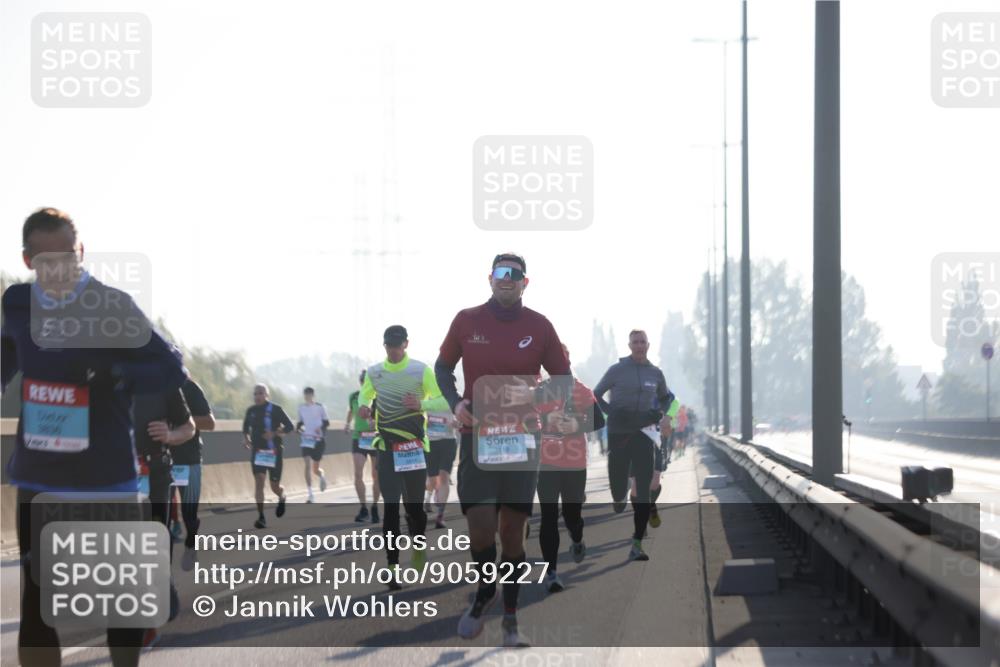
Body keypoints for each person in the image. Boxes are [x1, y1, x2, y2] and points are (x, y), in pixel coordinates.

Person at [2, 208, 187, 665]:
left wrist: (114, 372)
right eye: (47, 263)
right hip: (40, 475)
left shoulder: (111, 305)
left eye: (68, 258)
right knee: (38, 599)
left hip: (105, 476)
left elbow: (170, 368)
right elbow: (6, 354)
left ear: (80, 252)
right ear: (28, 261)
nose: (60, 270)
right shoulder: (18, 304)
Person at [435, 252, 572, 648]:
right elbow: (442, 369)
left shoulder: (540, 326)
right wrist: (456, 404)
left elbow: (563, 382)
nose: (506, 279)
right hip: (477, 437)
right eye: (500, 273)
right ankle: (485, 588)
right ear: (489, 279)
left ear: (525, 282)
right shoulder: (466, 320)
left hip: (522, 439)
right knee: (480, 529)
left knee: (512, 531)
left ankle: (510, 618)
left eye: (515, 274)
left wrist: (535, 392)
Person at [356, 325, 448, 588]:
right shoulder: (375, 373)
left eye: (397, 345)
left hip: (415, 449)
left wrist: (422, 404)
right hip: (386, 449)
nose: (393, 350)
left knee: (415, 511)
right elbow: (365, 398)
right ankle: (393, 567)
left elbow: (443, 401)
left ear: (406, 344)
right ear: (384, 346)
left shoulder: (421, 371)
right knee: (391, 511)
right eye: (389, 346)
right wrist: (364, 408)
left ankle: (418, 548)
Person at [593, 329, 677, 561]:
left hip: (644, 435)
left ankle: (637, 543)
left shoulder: (655, 373)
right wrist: (612, 413)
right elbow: (596, 394)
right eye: (635, 342)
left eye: (642, 342)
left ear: (648, 345)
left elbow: (666, 397)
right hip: (620, 433)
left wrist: (662, 413)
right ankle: (619, 497)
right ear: (629, 345)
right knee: (619, 487)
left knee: (643, 492)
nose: (639, 346)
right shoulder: (617, 370)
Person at [535, 345, 603, 593]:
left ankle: (577, 537)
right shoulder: (540, 391)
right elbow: (526, 421)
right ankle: (551, 572)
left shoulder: (580, 390)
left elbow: (599, 419)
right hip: (546, 463)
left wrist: (575, 424)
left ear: (567, 361)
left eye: (560, 359)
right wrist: (544, 422)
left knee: (572, 515)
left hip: (574, 463)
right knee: (548, 517)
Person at [172, 377, 215, 570]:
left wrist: (181, 420)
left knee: (189, 514)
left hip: (187, 460)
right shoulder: (148, 386)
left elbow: (209, 423)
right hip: (159, 459)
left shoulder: (189, 388)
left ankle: (191, 542)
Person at [243, 384, 294, 529]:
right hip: (258, 452)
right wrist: (246, 439)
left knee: (274, 486)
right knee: (259, 482)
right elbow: (246, 428)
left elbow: (290, 426)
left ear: (267, 395)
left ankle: (282, 496)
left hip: (274, 452)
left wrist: (275, 433)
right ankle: (261, 517)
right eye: (255, 393)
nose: (257, 396)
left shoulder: (275, 409)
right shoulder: (251, 411)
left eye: (260, 393)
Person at [346, 371, 380, 524]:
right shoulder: (353, 396)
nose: (364, 384)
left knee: (376, 475)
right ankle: (363, 508)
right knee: (358, 474)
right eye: (362, 381)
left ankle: (374, 507)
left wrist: (376, 423)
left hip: (375, 438)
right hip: (359, 438)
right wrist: (348, 424)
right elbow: (350, 411)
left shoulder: (379, 397)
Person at [424, 409, 458, 529]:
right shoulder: (425, 395)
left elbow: (460, 418)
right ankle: (428, 497)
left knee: (443, 477)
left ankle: (440, 515)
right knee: (432, 481)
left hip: (448, 442)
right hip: (430, 443)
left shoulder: (450, 394)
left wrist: (457, 423)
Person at [296, 387, 330, 503]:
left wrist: (319, 429)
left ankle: (321, 476)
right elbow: (300, 423)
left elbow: (326, 422)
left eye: (309, 394)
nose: (307, 396)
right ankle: (310, 494)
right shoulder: (301, 408)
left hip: (318, 440)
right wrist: (298, 428)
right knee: (307, 464)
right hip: (306, 440)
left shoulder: (320, 407)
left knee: (315, 469)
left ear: (313, 395)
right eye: (306, 394)